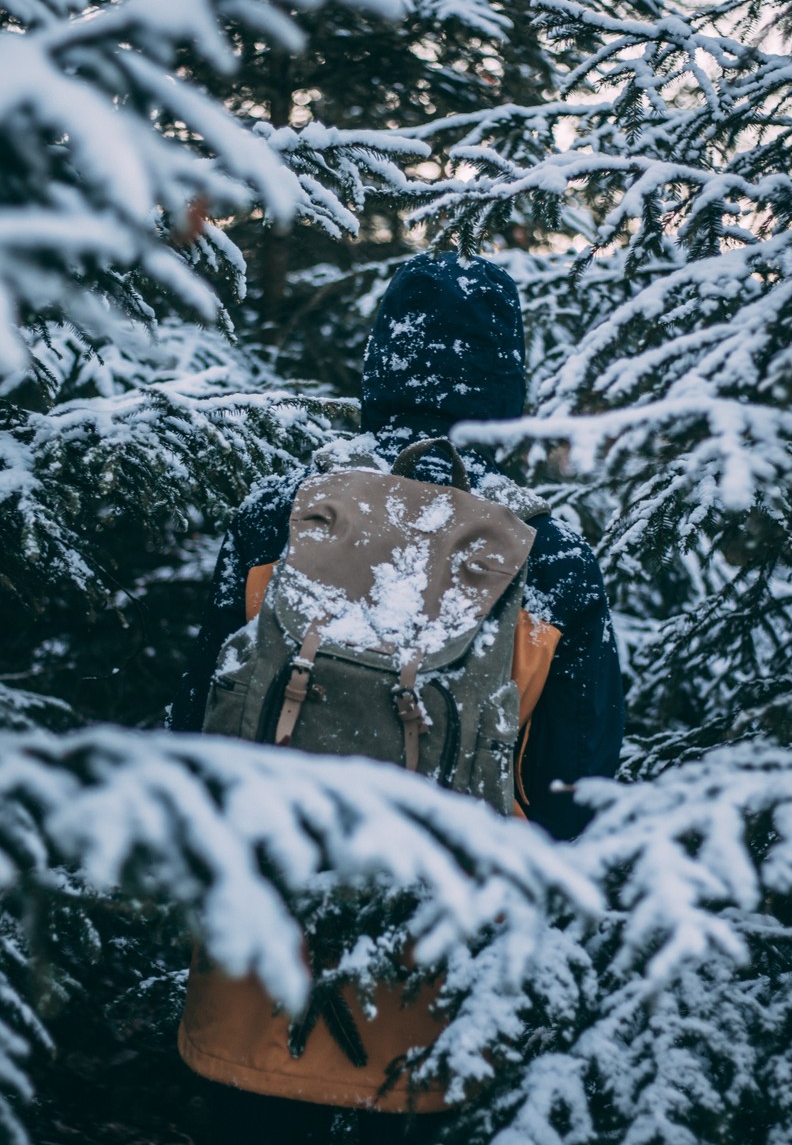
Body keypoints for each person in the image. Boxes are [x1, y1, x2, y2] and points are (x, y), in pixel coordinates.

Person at [171, 251, 624, 1143]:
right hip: (440, 1011)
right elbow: (582, 793)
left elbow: (194, 729)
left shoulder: (285, 517)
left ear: (380, 365)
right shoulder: (552, 557)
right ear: (509, 385)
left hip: (250, 985)